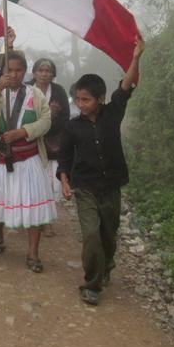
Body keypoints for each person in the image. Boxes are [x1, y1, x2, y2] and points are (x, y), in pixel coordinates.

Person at [58, 37, 145, 306]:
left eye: (86, 99)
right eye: (78, 99)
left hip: (111, 186)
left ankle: (106, 267)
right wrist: (64, 181)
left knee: (109, 233)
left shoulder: (113, 112)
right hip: (84, 188)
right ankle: (91, 284)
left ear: (100, 98)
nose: (80, 104)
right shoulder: (73, 127)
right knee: (92, 235)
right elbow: (64, 158)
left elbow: (127, 84)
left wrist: (136, 57)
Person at [0, 50, 56, 273]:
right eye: (10, 70)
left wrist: (24, 132)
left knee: (33, 204)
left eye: (18, 70)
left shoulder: (35, 95)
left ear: (25, 71)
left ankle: (33, 253)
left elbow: (46, 121)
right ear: (2, 71)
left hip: (28, 159)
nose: (14, 74)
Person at [27, 57, 70, 236]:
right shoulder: (27, 90)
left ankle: (48, 220)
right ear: (34, 72)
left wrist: (53, 118)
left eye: (48, 71)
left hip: (52, 145)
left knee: (51, 183)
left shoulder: (58, 91)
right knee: (32, 182)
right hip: (30, 143)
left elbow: (66, 117)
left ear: (53, 74)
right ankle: (32, 218)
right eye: (41, 70)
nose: (44, 74)